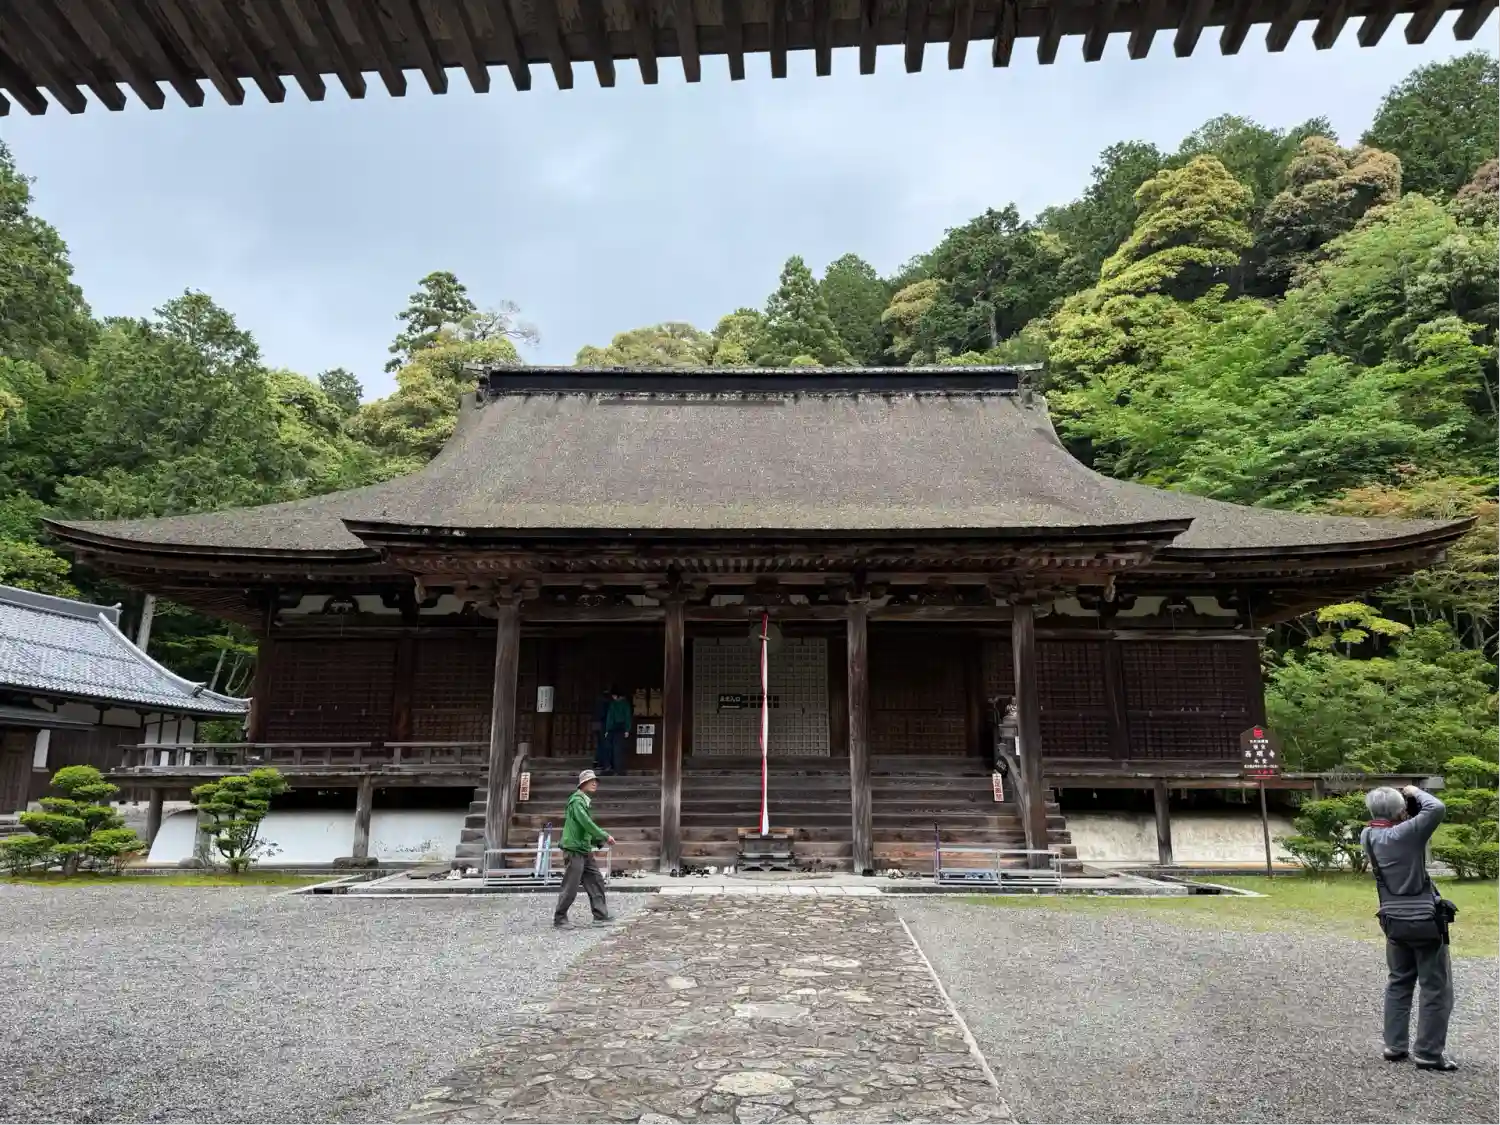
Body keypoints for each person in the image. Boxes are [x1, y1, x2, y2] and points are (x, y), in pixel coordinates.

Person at [1361, 783, 1456, 1071]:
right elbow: (1436, 807)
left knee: (1399, 981)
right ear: (1400, 811)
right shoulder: (1406, 833)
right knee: (1435, 987)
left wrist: (1405, 806)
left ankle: (1394, 1045)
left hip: (1392, 920)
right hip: (1423, 920)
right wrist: (1415, 791)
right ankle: (1428, 1053)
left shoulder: (1367, 835)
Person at [554, 769, 615, 928]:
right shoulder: (576, 801)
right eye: (590, 781)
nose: (594, 783)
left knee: (596, 880)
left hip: (584, 848)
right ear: (582, 784)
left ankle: (600, 915)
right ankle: (560, 917)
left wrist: (596, 840)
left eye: (595, 781)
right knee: (571, 885)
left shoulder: (584, 801)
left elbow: (584, 827)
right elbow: (585, 823)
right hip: (574, 849)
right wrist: (604, 836)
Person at [599, 686, 633, 777]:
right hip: (621, 727)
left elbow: (610, 718)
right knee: (618, 749)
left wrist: (607, 730)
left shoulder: (613, 704)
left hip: (613, 728)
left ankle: (609, 767)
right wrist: (627, 729)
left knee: (609, 748)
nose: (613, 697)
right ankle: (619, 769)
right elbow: (628, 717)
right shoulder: (625, 704)